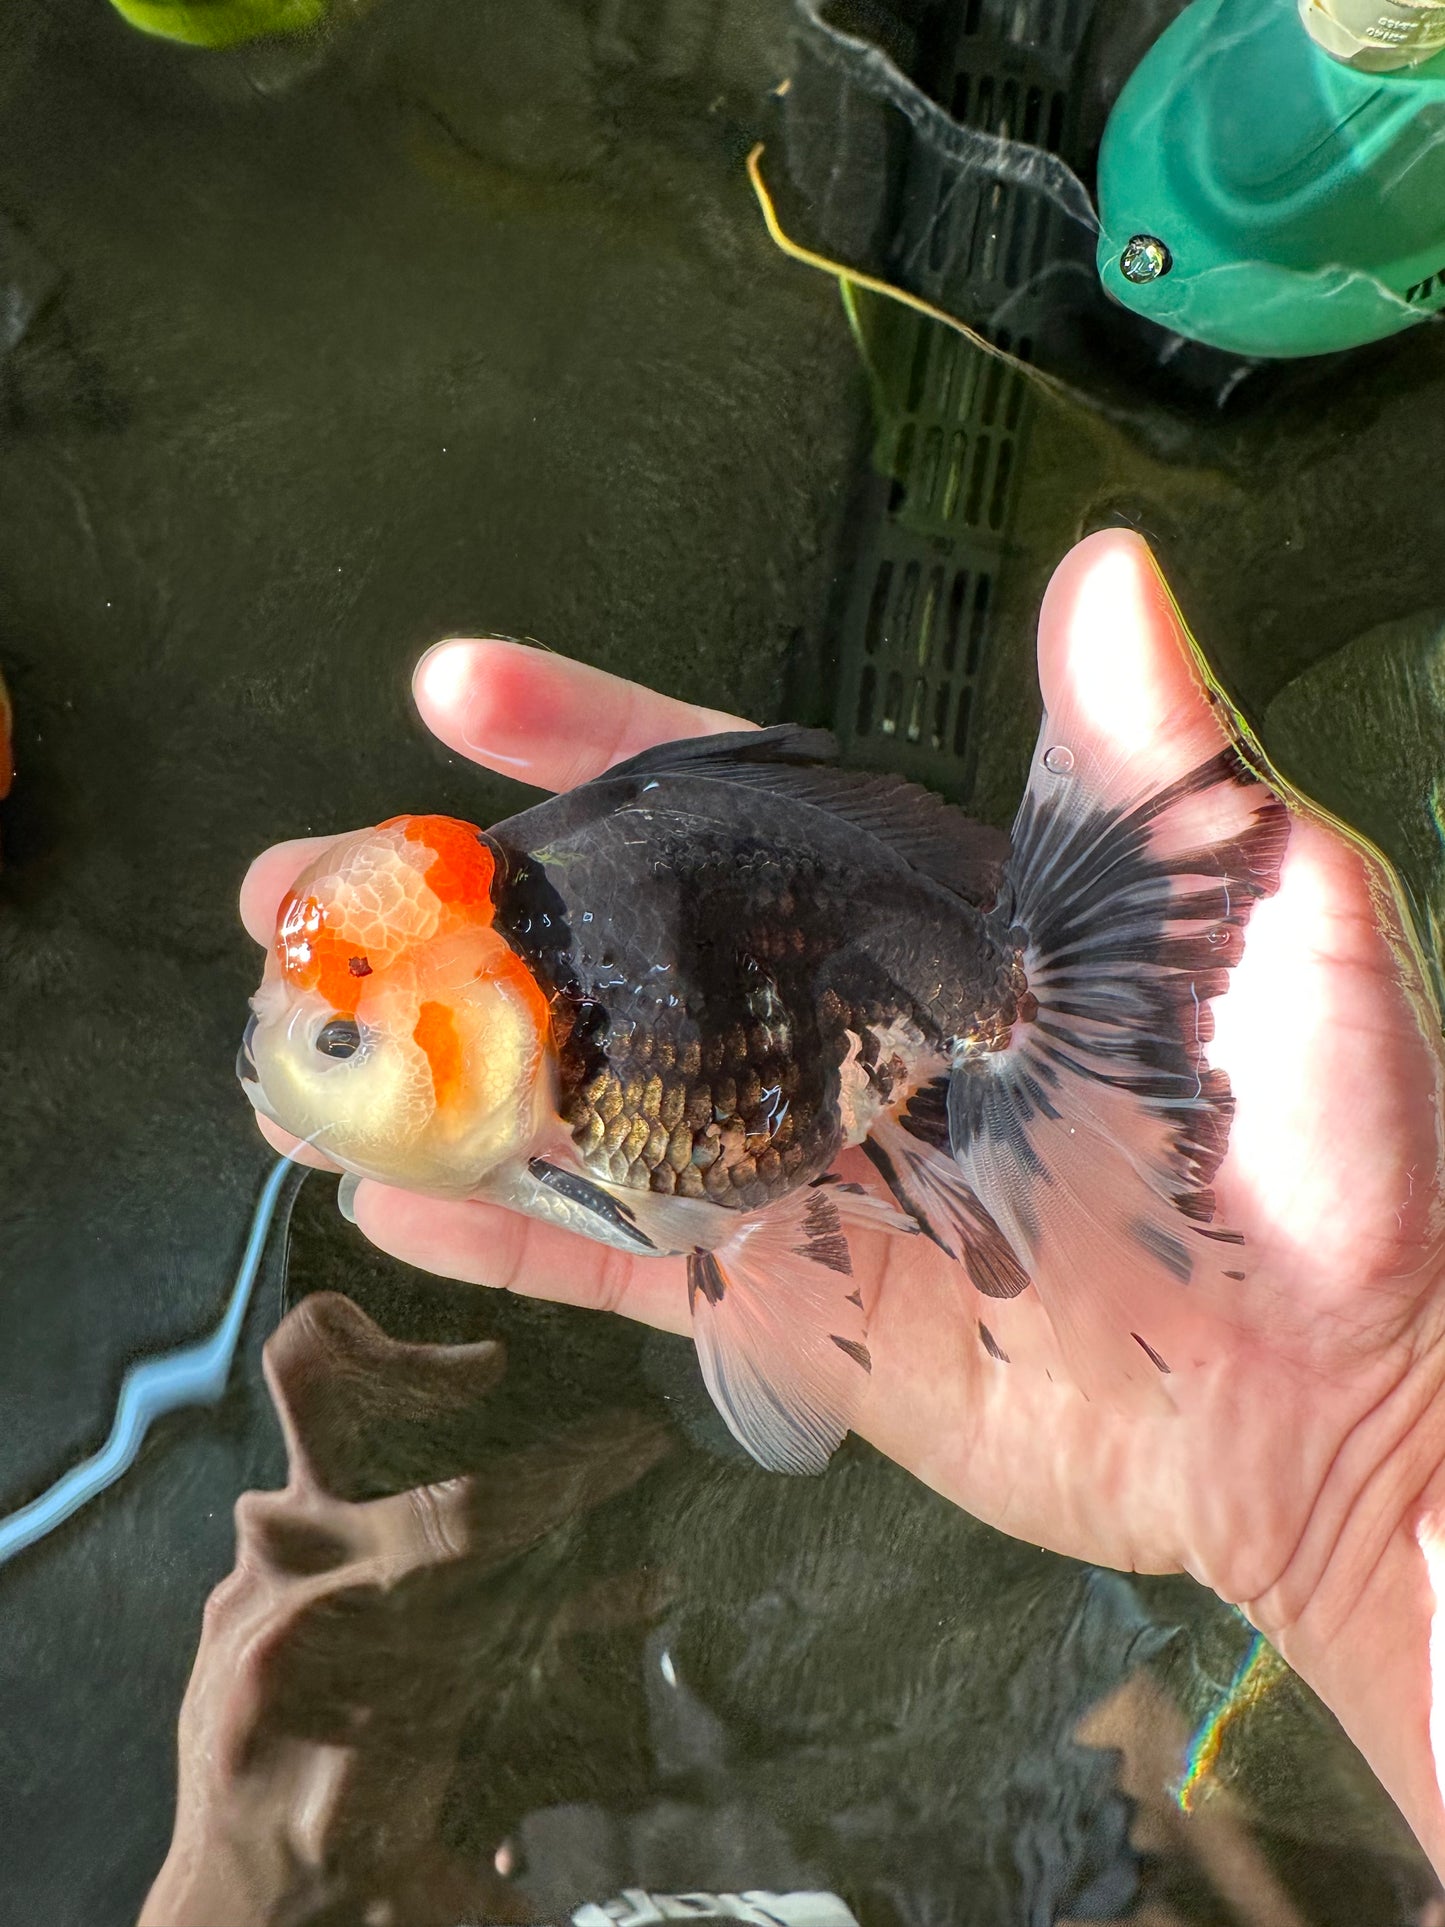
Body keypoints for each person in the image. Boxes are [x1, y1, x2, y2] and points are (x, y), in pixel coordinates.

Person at [240, 528, 1445, 1879]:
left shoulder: (581, 1079)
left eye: (336, 1041)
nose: (279, 1053)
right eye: (302, 1027)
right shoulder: (541, 1036)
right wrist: (1369, 1466)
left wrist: (1378, 1437)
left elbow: (729, 1219)